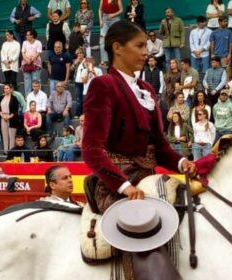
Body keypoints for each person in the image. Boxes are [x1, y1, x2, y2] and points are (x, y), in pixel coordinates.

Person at [83, 19, 196, 210]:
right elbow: (91, 149)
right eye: (139, 45)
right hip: (117, 186)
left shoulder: (147, 89)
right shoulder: (103, 85)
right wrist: (124, 186)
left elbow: (160, 147)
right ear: (117, 48)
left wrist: (181, 162)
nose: (146, 52)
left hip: (149, 181)